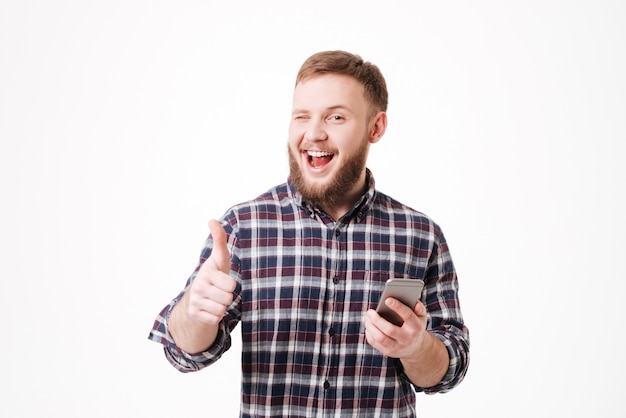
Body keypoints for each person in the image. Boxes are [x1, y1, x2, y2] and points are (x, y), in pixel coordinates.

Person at [149, 50, 470, 417]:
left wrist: (415, 347)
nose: (313, 133)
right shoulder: (244, 227)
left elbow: (449, 368)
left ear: (375, 127)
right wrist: (196, 310)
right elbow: (182, 353)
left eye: (335, 117)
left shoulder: (419, 235)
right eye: (302, 116)